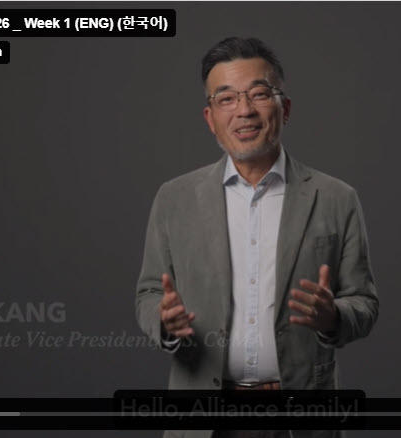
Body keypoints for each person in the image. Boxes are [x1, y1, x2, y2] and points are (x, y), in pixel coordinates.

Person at [135, 37, 379, 438]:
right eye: (227, 98)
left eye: (259, 94)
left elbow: (364, 303)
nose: (244, 110)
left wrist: (333, 317)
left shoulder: (337, 198)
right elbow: (148, 293)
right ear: (210, 117)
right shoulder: (174, 198)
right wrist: (163, 322)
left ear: (285, 108)